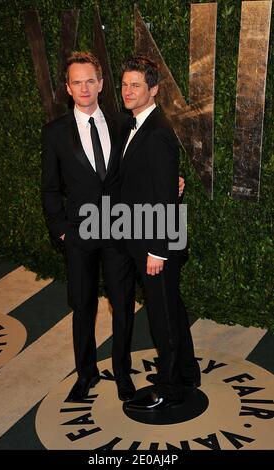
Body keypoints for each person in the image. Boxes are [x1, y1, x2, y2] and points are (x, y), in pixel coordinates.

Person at [41, 51, 137, 402]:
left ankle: (123, 374)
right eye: (76, 82)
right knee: (83, 306)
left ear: (101, 83)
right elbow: (50, 188)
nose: (84, 88)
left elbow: (136, 174)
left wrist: (172, 182)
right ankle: (86, 373)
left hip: (117, 232)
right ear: (68, 88)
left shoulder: (121, 124)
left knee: (122, 303)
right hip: (79, 235)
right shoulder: (54, 133)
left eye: (90, 80)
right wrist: (62, 230)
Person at [120, 56, 200, 411]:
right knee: (172, 307)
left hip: (156, 241)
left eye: (136, 85)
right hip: (148, 235)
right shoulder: (135, 125)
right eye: (124, 84)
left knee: (162, 315)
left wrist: (158, 250)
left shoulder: (156, 133)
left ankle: (169, 387)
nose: (128, 91)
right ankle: (186, 370)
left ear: (153, 89)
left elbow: (166, 197)